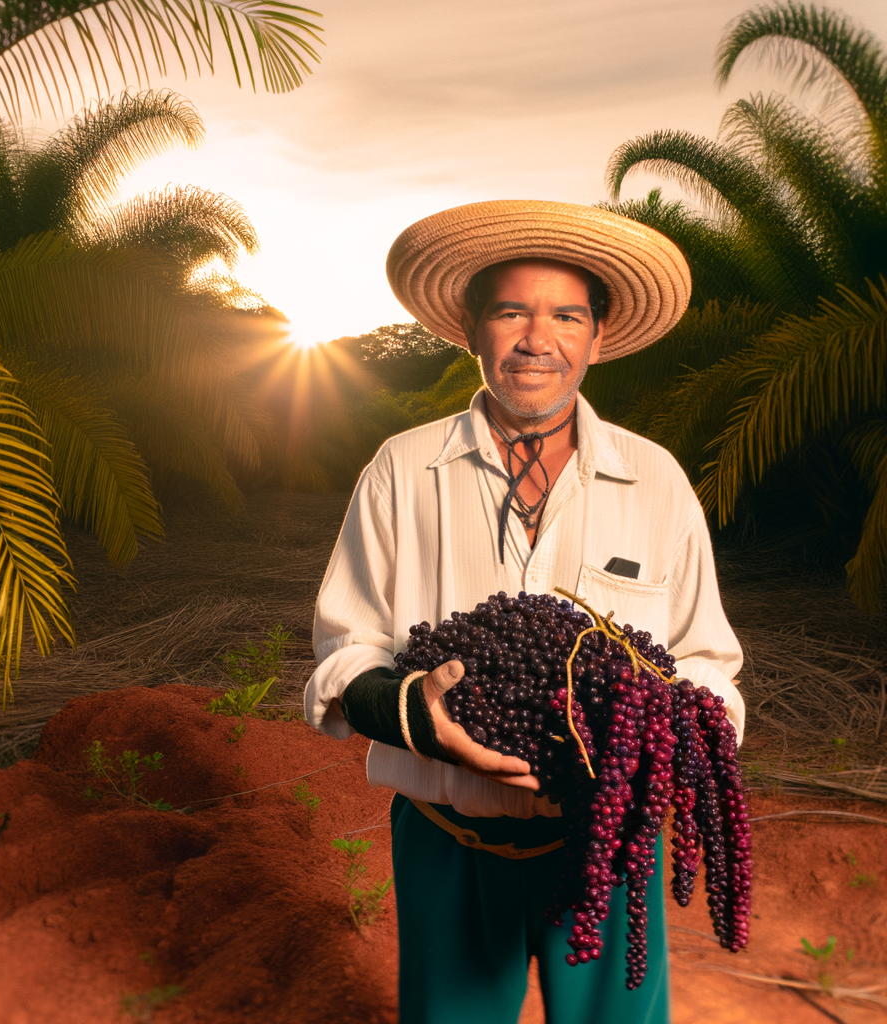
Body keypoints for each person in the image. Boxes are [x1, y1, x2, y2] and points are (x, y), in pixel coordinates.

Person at [303, 200, 745, 1024]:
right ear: (472, 331)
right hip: (447, 839)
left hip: (610, 844)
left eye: (566, 315)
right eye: (511, 311)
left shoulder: (657, 483)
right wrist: (416, 718)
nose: (537, 339)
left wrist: (667, 742)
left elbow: (706, 662)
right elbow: (344, 651)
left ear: (597, 338)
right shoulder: (402, 472)